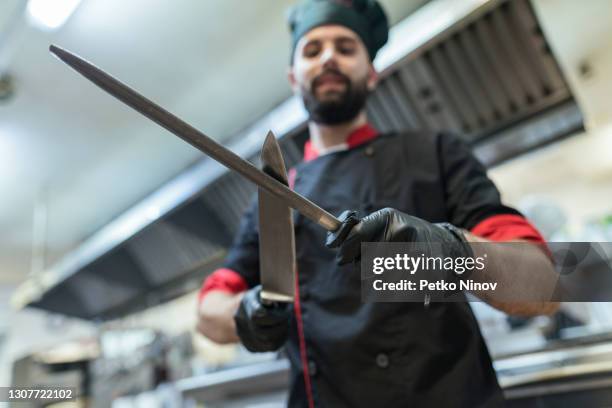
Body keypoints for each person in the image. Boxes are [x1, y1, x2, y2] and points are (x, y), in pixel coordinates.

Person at [196, 1, 559, 406]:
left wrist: (448, 252)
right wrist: (244, 313)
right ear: (293, 77)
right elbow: (209, 312)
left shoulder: (435, 155)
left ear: (371, 74)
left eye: (345, 47)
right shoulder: (279, 192)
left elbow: (544, 285)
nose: (329, 56)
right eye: (312, 50)